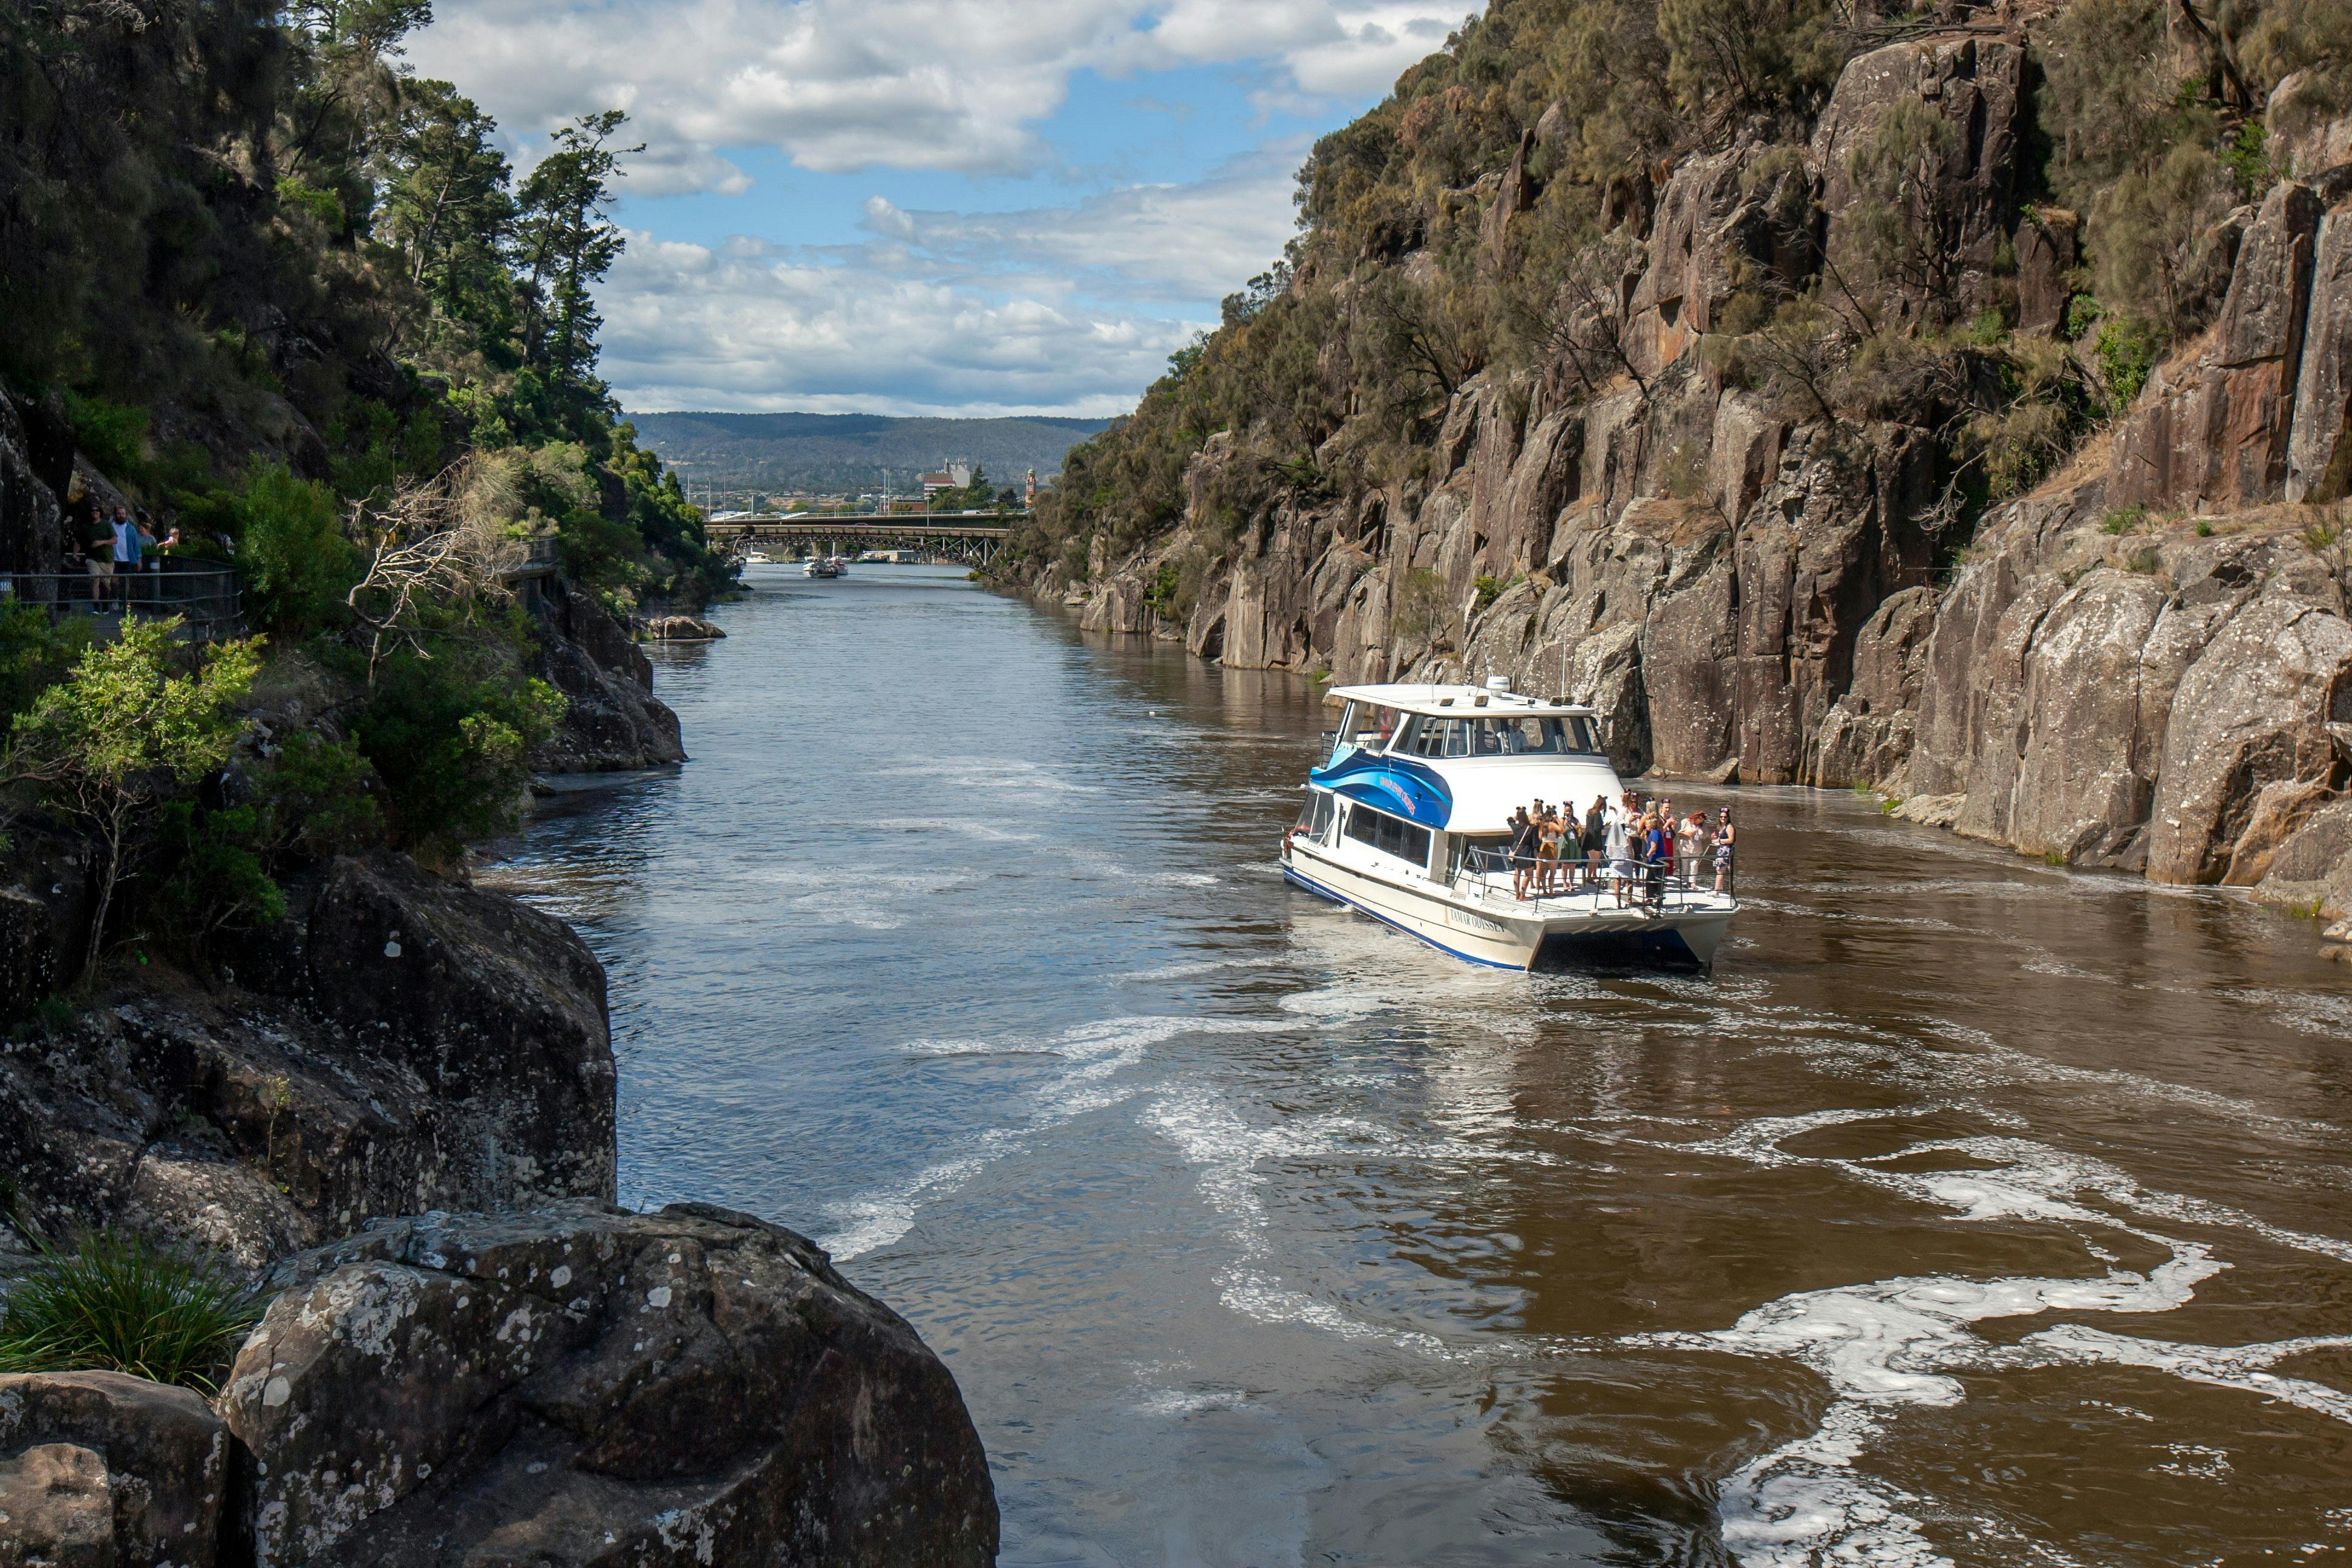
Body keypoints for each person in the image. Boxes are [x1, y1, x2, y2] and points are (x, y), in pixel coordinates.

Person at [1508, 805, 1537, 899]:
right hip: (1527, 852)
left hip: (1517, 852)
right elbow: (1535, 843)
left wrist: (1515, 819)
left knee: (1517, 873)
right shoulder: (1531, 828)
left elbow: (1509, 819)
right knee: (1529, 875)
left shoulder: (1515, 827)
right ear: (1526, 816)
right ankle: (1522, 895)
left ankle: (1517, 894)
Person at [1582, 796, 1607, 892]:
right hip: (1594, 838)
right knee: (1594, 859)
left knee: (1594, 858)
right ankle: (1589, 877)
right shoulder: (1597, 814)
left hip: (1588, 837)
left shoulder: (1589, 812)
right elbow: (1597, 827)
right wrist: (1604, 826)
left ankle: (1592, 875)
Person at [1714, 808, 1736, 895]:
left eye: (1725, 817)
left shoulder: (1730, 827)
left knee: (1720, 871)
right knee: (1719, 870)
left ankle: (1716, 891)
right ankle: (1719, 890)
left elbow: (1731, 839)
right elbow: (1723, 839)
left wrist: (1718, 841)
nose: (1723, 819)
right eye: (1721, 817)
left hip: (1726, 851)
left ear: (1728, 817)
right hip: (1721, 850)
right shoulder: (1722, 826)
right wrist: (1716, 839)